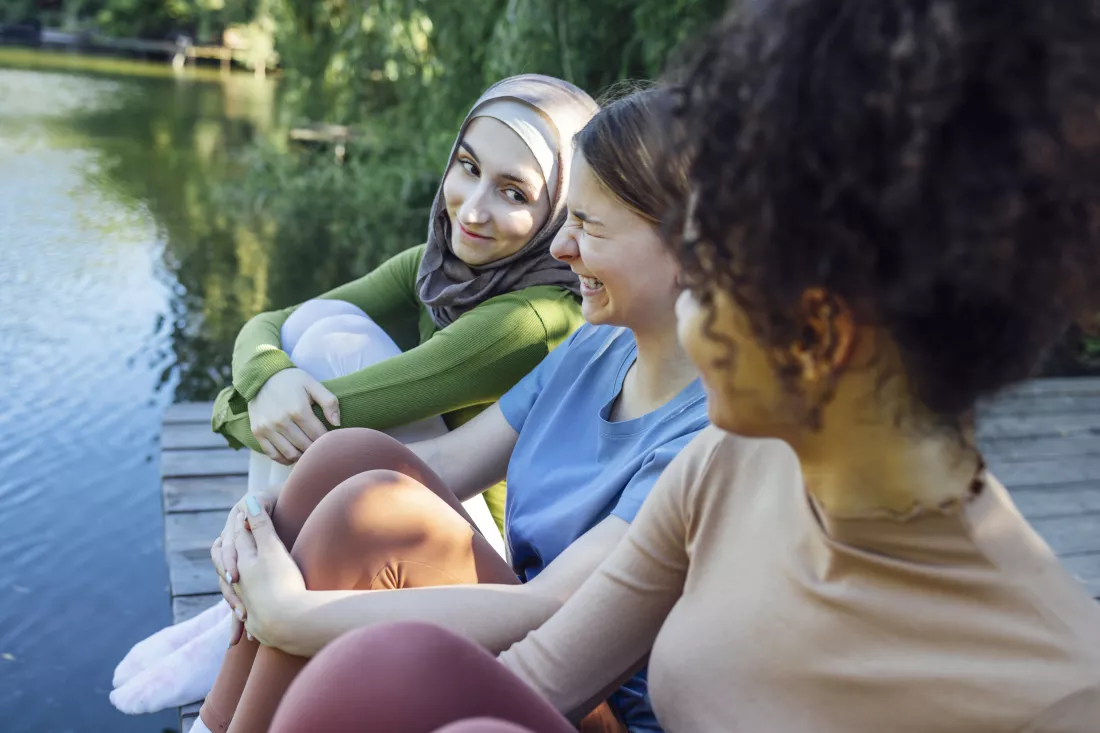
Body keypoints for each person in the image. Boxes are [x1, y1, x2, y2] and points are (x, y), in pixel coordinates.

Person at [264, 0, 1100, 731]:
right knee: (384, 668)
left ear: (824, 326)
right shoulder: (724, 466)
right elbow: (534, 672)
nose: (686, 298)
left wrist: (305, 618)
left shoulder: (1061, 694)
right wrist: (308, 618)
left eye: (711, 262)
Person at [194, 88, 707, 733]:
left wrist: (296, 617)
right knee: (350, 460)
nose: (560, 248)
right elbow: (448, 463)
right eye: (567, 219)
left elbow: (562, 607)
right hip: (518, 627)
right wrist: (266, 515)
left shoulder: (710, 433)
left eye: (590, 227)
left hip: (584, 698)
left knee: (368, 534)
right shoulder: (597, 345)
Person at [109, 73, 597, 714]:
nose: (473, 208)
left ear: (559, 211)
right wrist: (264, 379)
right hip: (434, 493)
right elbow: (274, 322)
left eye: (513, 193)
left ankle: (253, 606)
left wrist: (240, 406)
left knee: (329, 357)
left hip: (477, 557)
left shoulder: (533, 317)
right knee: (315, 327)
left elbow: (339, 417)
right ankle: (251, 597)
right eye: (467, 168)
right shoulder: (441, 267)